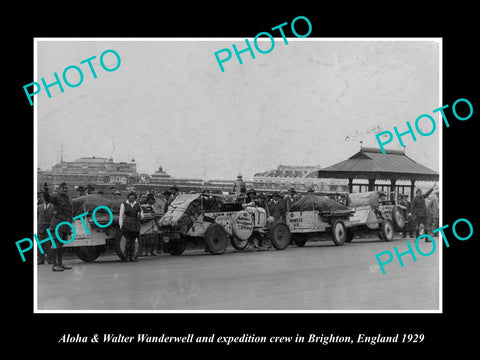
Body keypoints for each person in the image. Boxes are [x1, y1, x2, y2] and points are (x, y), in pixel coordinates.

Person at [43, 182, 73, 272]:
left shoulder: (67, 198)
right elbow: (48, 199)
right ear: (59, 189)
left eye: (66, 188)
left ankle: (60, 264)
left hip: (65, 225)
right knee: (55, 244)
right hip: (57, 224)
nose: (65, 189)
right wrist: (45, 191)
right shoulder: (56, 197)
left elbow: (69, 213)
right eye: (63, 188)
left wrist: (69, 227)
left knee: (61, 245)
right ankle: (54, 265)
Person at [119, 190, 144, 262]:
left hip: (135, 223)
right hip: (127, 224)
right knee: (128, 240)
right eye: (130, 196)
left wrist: (141, 216)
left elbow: (141, 213)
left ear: (135, 197)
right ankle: (127, 256)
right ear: (128, 197)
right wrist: (121, 225)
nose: (132, 198)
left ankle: (132, 256)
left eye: (133, 196)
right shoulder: (124, 204)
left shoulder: (138, 204)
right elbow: (121, 216)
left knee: (133, 241)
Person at [37, 191, 55, 265]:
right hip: (41, 227)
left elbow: (55, 217)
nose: (46, 199)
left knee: (49, 244)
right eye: (45, 198)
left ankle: (50, 259)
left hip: (49, 227)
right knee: (40, 244)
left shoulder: (53, 207)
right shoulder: (39, 207)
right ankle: (40, 260)